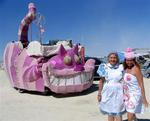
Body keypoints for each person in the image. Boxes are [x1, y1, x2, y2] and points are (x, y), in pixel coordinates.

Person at [97, 52, 125, 121]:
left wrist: (126, 93)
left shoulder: (121, 67)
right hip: (107, 91)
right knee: (110, 112)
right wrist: (99, 93)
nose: (113, 59)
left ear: (117, 59)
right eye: (111, 58)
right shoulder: (104, 67)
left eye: (114, 58)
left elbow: (125, 80)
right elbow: (101, 81)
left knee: (118, 111)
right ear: (108, 59)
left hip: (119, 91)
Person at [123, 48, 149, 121]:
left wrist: (144, 98)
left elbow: (141, 84)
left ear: (134, 60)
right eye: (127, 60)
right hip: (127, 94)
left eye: (131, 60)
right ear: (125, 60)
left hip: (135, 94)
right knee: (130, 110)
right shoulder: (125, 69)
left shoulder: (136, 69)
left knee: (130, 111)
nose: (129, 62)